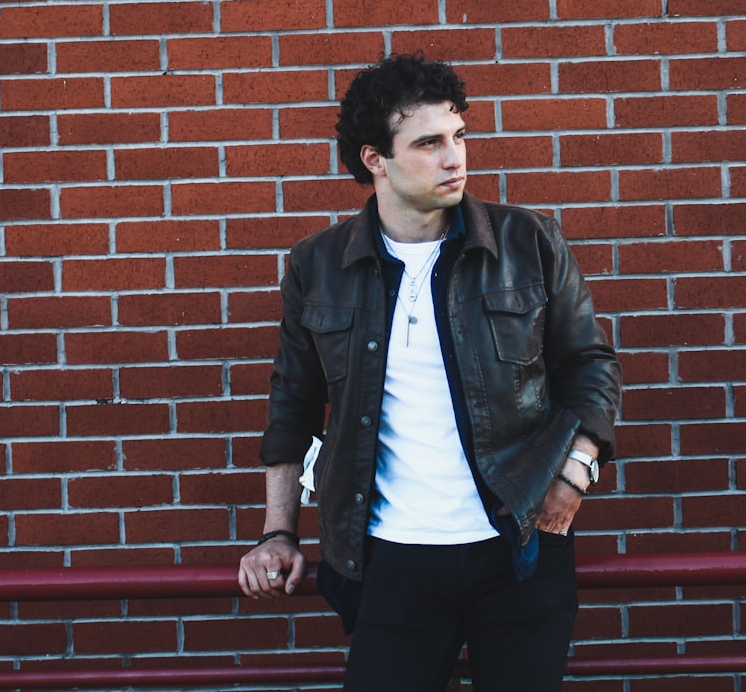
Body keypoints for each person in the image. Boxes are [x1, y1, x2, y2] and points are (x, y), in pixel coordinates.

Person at [238, 53, 622, 692]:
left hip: (519, 546)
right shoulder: (319, 265)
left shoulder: (529, 243)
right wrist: (278, 532)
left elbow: (589, 365)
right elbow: (294, 407)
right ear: (375, 160)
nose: (455, 158)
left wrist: (574, 473)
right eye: (428, 143)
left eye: (459, 136)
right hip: (390, 560)